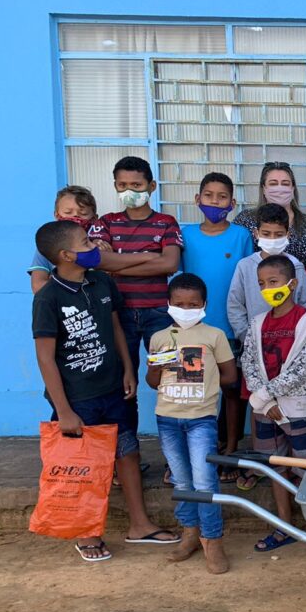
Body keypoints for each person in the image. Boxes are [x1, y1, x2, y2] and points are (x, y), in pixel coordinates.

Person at [32, 220, 179, 562]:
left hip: (113, 389)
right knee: (84, 464)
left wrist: (128, 369)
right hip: (77, 399)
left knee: (128, 452)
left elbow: (116, 329)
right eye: (86, 242)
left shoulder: (101, 281)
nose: (95, 246)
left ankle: (140, 524)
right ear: (67, 255)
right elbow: (45, 357)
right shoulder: (48, 297)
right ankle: (88, 532)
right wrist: (63, 409)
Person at [146, 273, 237, 573]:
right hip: (167, 419)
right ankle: (190, 532)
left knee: (205, 481)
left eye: (193, 304)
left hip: (201, 419)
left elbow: (229, 375)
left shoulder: (214, 336)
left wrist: (204, 386)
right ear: (169, 304)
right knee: (182, 481)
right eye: (180, 304)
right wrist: (158, 365)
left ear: (204, 305)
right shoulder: (159, 338)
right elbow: (152, 381)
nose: (186, 309)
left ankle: (213, 540)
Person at [241, 255, 306, 554]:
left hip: (296, 408)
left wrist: (263, 396)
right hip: (266, 410)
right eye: (262, 284)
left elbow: (301, 369)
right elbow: (248, 362)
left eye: (273, 282)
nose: (267, 288)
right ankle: (284, 526)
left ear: (292, 283)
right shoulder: (257, 323)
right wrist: (264, 402)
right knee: (275, 466)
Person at [95, 156, 183, 430]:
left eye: (136, 185)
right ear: (115, 186)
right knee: (123, 382)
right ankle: (127, 447)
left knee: (171, 377)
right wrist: (148, 256)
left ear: (151, 186)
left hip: (159, 314)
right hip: (118, 315)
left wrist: (119, 264)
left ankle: (174, 448)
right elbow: (100, 262)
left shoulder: (166, 222)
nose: (129, 191)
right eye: (122, 185)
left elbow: (170, 264)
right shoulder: (106, 222)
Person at [180, 172, 254, 476]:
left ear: (232, 203)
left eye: (222, 197)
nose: (215, 202)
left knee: (232, 390)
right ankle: (198, 450)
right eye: (208, 196)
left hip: (231, 329)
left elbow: (249, 278)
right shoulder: (185, 235)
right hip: (192, 330)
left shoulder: (241, 236)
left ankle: (232, 448)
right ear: (197, 199)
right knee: (193, 390)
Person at [226, 203, 306, 347]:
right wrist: (247, 337)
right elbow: (235, 305)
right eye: (266, 234)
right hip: (255, 341)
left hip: (290, 342)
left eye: (278, 234)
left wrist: (298, 337)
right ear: (256, 233)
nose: (272, 239)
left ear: (288, 235)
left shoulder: (296, 266)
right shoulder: (245, 266)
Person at [234, 162, 306, 268]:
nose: (279, 188)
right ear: (263, 188)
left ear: (293, 188)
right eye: (273, 184)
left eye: (285, 184)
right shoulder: (245, 220)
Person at [27, 186, 109, 294]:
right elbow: (37, 286)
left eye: (83, 214)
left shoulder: (98, 244)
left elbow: (108, 281)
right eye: (68, 212)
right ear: (56, 215)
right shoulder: (47, 245)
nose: (75, 216)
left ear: (94, 219)